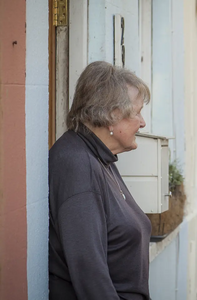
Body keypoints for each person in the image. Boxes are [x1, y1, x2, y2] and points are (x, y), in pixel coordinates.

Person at [49, 61, 152, 299]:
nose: (142, 122)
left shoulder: (100, 156)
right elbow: (89, 273)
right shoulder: (77, 165)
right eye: (136, 112)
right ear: (111, 115)